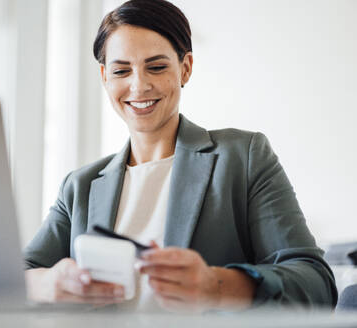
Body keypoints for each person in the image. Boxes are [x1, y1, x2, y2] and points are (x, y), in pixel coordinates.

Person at [24, 0, 337, 311]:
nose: (139, 85)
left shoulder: (243, 157)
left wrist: (216, 286)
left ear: (185, 68)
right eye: (121, 70)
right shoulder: (80, 186)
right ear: (105, 76)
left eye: (156, 67)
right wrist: (48, 282)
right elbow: (12, 278)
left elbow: (316, 283)